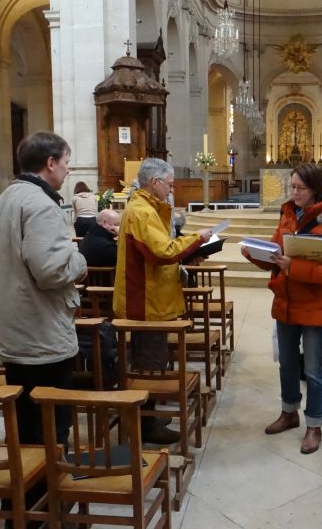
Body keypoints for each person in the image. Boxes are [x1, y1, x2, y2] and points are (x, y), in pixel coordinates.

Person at [0, 131, 87, 447]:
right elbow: (52, 270)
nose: (68, 169)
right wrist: (80, 261)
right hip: (41, 334)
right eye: (66, 162)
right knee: (51, 429)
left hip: (10, 329)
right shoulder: (41, 205)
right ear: (50, 163)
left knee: (25, 425)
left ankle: (26, 478)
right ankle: (50, 479)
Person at [241, 163, 322, 455]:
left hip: (315, 306)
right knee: (287, 363)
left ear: (316, 188)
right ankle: (289, 412)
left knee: (313, 368)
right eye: (292, 187)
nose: (295, 192)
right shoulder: (288, 214)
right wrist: (256, 255)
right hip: (286, 303)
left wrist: (294, 267)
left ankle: (314, 424)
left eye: (301, 188)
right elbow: (277, 255)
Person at [113, 158, 211, 445]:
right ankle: (146, 424)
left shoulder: (145, 208)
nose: (171, 190)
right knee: (150, 363)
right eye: (169, 184)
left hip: (152, 298)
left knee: (154, 359)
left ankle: (149, 414)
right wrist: (197, 239)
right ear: (154, 182)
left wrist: (190, 254)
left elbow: (159, 253)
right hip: (145, 301)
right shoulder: (141, 211)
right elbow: (161, 252)